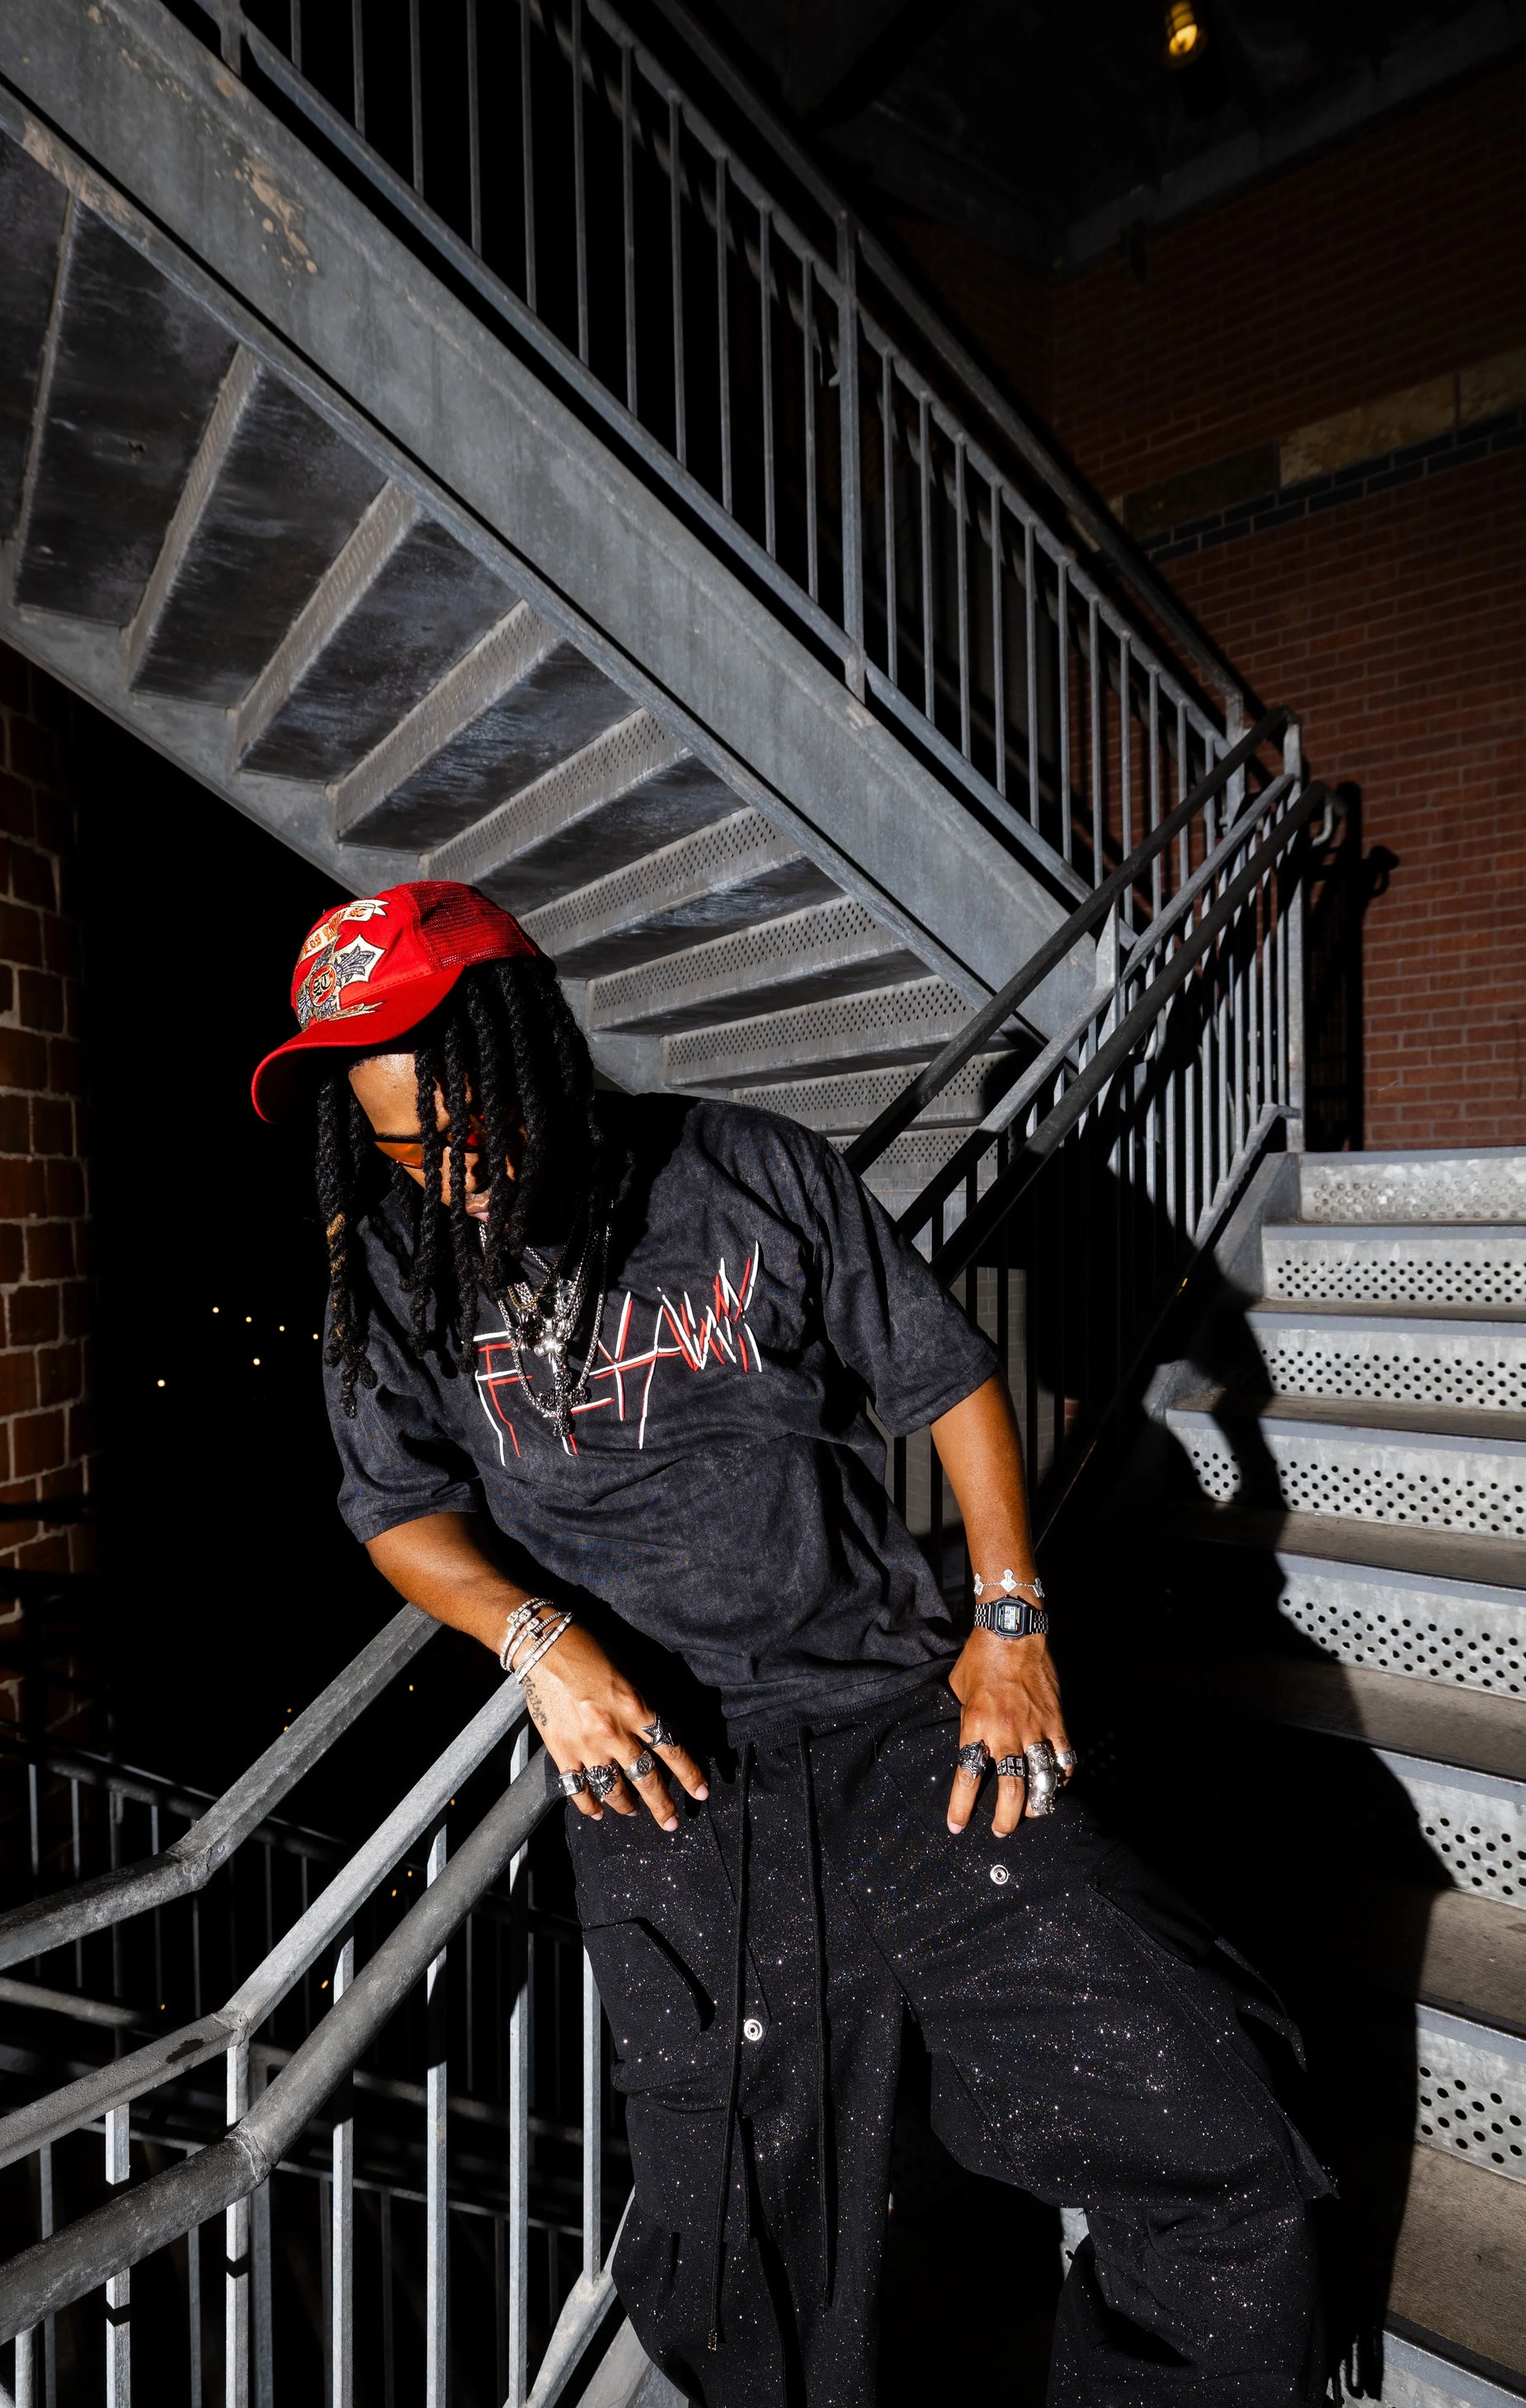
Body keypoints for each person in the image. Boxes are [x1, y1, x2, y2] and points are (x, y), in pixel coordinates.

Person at [253, 879, 1329, 2408]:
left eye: (469, 1127)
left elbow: (946, 1382)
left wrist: (1008, 1620)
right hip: (665, 1778)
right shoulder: (389, 1273)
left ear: (537, 1045)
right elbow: (396, 1512)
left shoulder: (743, 1169)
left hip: (898, 1723)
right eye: (409, 1151)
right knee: (742, 2254)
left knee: (1197, 2108)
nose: (457, 1180)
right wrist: (536, 1640)